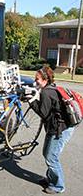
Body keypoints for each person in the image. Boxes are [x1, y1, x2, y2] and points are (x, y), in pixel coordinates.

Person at [29, 66, 74, 194]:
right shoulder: (50, 89)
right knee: (47, 153)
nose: (35, 81)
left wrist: (31, 101)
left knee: (51, 157)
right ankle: (51, 179)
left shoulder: (47, 92)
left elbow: (43, 113)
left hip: (61, 129)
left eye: (37, 79)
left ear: (45, 79)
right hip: (55, 128)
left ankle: (58, 186)